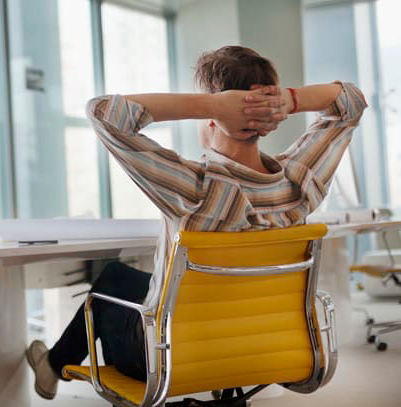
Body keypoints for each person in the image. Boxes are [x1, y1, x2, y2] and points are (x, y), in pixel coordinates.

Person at [25, 45, 368, 400]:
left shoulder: (195, 190)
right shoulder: (297, 183)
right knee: (124, 280)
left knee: (111, 281)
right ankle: (52, 365)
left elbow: (102, 113)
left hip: (176, 357)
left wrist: (212, 106)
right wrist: (289, 101)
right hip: (267, 348)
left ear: (215, 115)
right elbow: (351, 102)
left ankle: (52, 366)